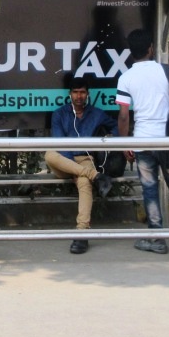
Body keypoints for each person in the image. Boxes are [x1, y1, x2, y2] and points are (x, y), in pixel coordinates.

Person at [115, 30, 169, 254]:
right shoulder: (167, 70)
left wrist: (125, 144)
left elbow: (124, 116)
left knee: (149, 190)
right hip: (168, 140)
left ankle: (157, 238)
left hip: (143, 141)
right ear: (150, 49)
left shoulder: (126, 78)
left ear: (131, 52)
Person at [45, 76, 117, 254]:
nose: (79, 96)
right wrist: (74, 169)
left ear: (87, 94)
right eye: (75, 92)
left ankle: (82, 233)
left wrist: (110, 138)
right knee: (49, 154)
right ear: (70, 94)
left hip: (85, 159)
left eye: (82, 92)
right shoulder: (60, 113)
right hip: (64, 160)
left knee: (84, 183)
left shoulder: (97, 113)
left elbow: (115, 126)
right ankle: (96, 176)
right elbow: (60, 144)